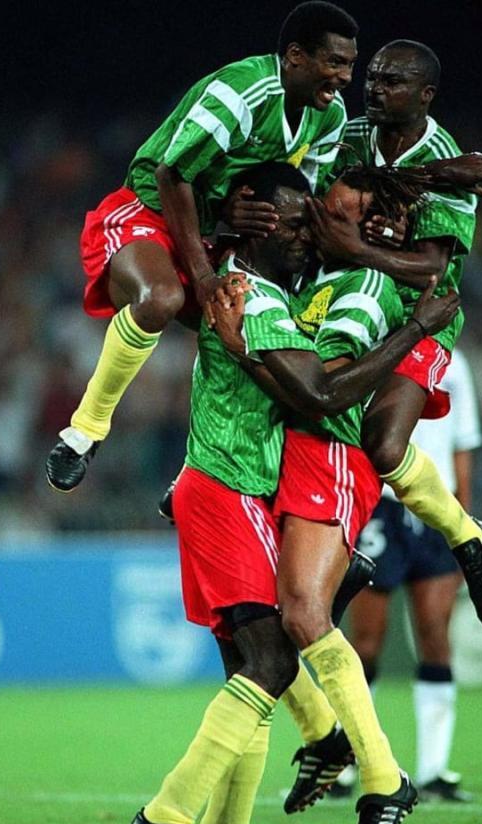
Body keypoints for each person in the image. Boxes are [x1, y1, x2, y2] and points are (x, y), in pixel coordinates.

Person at [128, 162, 458, 824]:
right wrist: (416, 327)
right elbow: (322, 396)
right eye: (298, 223)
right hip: (229, 491)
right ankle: (167, 815)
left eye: (316, 223)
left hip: (221, 490)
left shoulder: (253, 287)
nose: (309, 236)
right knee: (274, 660)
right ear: (261, 225)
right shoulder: (259, 297)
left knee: (253, 669)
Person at [45, 1, 359, 493]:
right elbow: (172, 174)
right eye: (334, 62)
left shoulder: (330, 118)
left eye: (349, 65)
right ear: (296, 56)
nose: (343, 77)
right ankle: (85, 431)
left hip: (216, 229)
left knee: (252, 332)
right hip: (149, 209)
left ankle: (208, 476)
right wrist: (207, 275)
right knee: (163, 297)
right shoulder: (242, 92)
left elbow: (293, 194)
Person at [298, 39, 482, 628]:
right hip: (346, 294)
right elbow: (323, 208)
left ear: (425, 95)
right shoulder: (352, 132)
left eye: (392, 82)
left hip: (425, 317)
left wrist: (356, 246)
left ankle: (468, 538)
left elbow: (433, 270)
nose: (375, 87)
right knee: (298, 401)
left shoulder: (446, 156)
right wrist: (362, 241)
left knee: (383, 446)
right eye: (374, 77)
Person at [333, 348, 482, 802]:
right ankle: (343, 765)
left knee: (436, 633)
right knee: (366, 641)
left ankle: (435, 769)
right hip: (381, 505)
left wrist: (465, 532)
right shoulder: (379, 348)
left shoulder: (457, 363)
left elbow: (463, 443)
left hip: (439, 508)